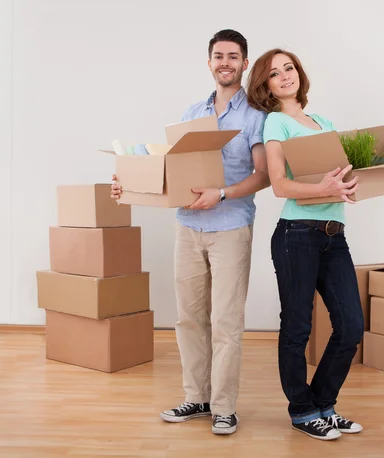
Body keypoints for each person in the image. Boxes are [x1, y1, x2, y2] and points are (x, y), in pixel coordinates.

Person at [246, 48, 384, 441]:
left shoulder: (323, 121)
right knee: (296, 328)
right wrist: (321, 187)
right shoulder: (276, 122)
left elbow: (354, 177)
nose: (284, 76)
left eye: (289, 68)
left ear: (299, 72)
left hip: (334, 235)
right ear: (265, 85)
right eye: (274, 73)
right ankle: (301, 411)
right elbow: (279, 185)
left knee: (351, 326)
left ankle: (323, 404)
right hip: (297, 235)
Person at [111, 30, 269, 435]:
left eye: (233, 56)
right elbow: (170, 169)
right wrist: (128, 182)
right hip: (187, 227)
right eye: (218, 56)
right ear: (209, 62)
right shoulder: (191, 113)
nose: (225, 63)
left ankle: (224, 407)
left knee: (226, 320)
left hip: (231, 227)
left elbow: (263, 175)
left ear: (245, 63)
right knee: (190, 320)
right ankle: (196, 398)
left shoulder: (255, 115)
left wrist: (223, 193)